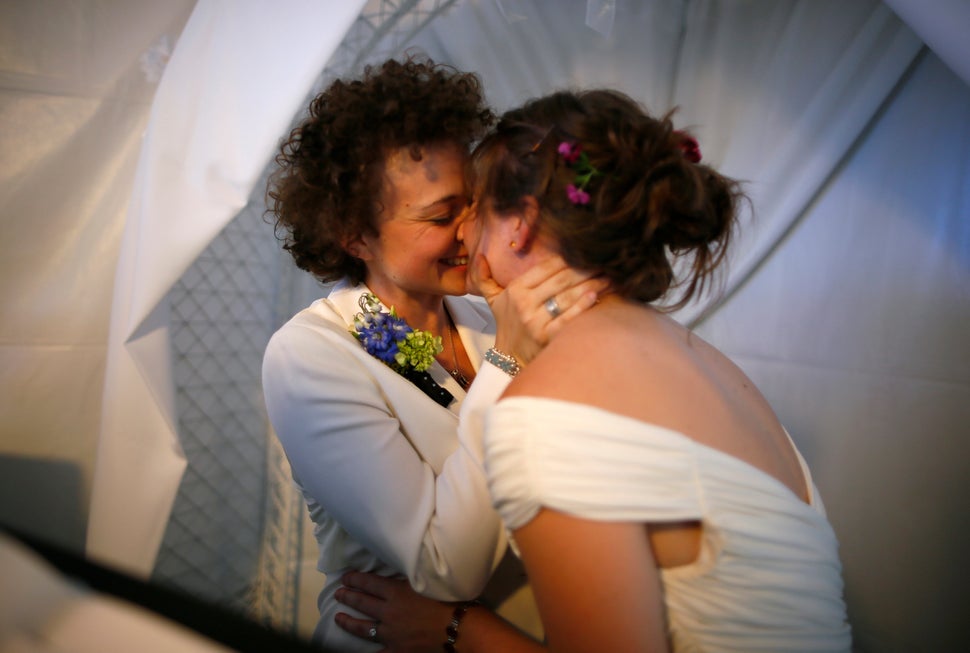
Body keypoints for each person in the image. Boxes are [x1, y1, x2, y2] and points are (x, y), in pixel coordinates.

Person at [333, 89, 853, 651]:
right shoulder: (711, 363)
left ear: (521, 225)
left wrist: (460, 631)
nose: (463, 231)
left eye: (475, 207)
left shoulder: (547, 408)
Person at [261, 57, 602, 651]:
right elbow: (448, 564)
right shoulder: (315, 352)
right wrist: (509, 363)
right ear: (354, 234)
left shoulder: (476, 318)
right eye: (443, 216)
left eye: (475, 204)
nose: (472, 231)